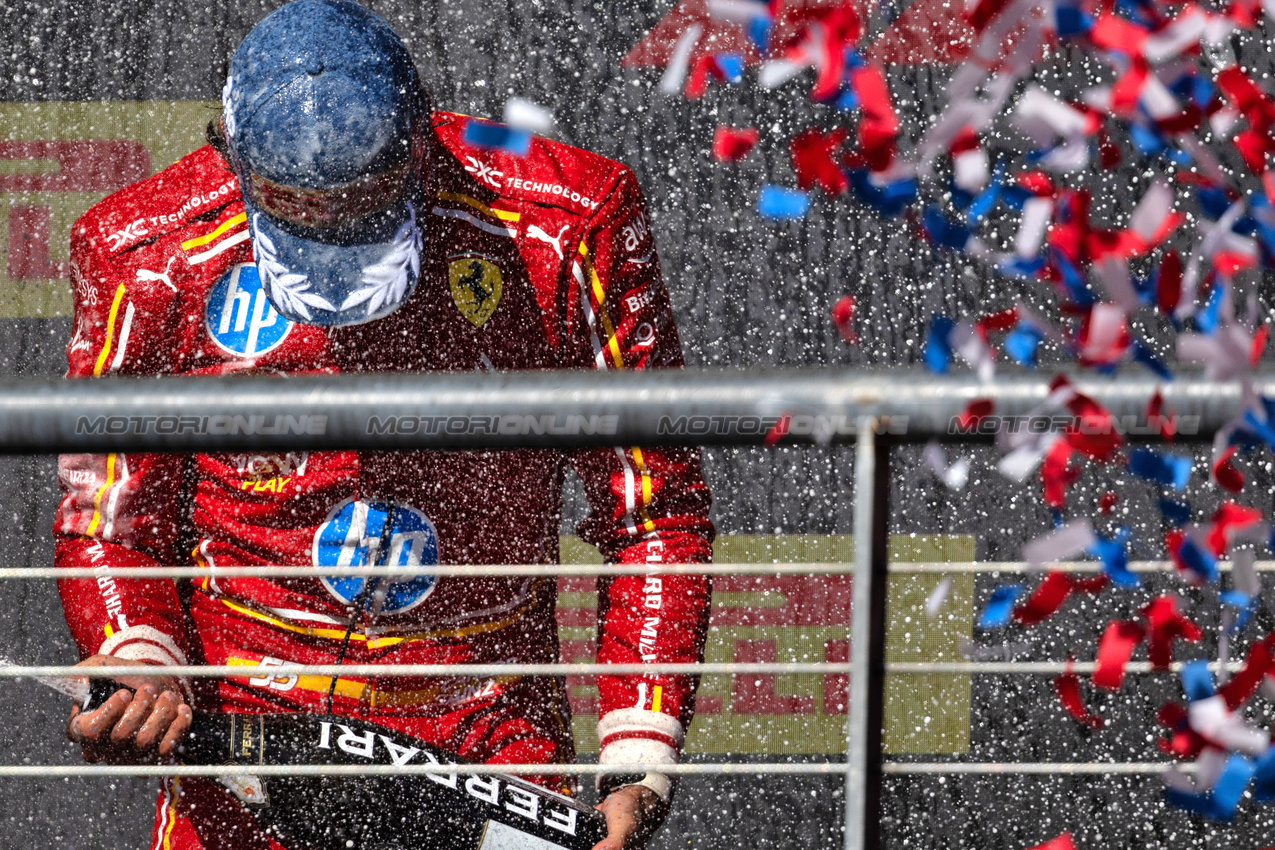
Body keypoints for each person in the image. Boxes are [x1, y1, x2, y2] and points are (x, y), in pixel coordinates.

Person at [53, 2, 714, 848]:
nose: (331, 227)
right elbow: (111, 517)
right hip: (250, 736)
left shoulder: (565, 217)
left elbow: (652, 509)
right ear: (228, 151)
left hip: (488, 722)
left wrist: (636, 760)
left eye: (363, 198)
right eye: (295, 204)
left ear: (418, 137)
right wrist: (137, 657)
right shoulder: (141, 249)